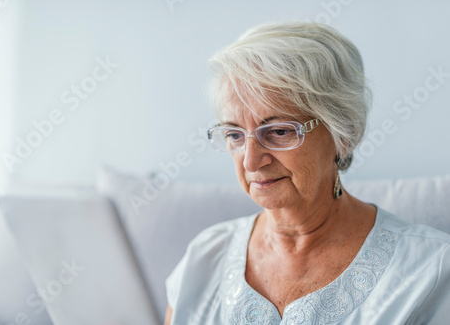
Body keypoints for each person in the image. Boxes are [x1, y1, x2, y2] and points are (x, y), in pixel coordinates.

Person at [163, 22, 450, 324]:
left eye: (279, 131)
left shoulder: (429, 272)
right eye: (235, 134)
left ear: (344, 133)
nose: (250, 161)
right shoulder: (204, 259)